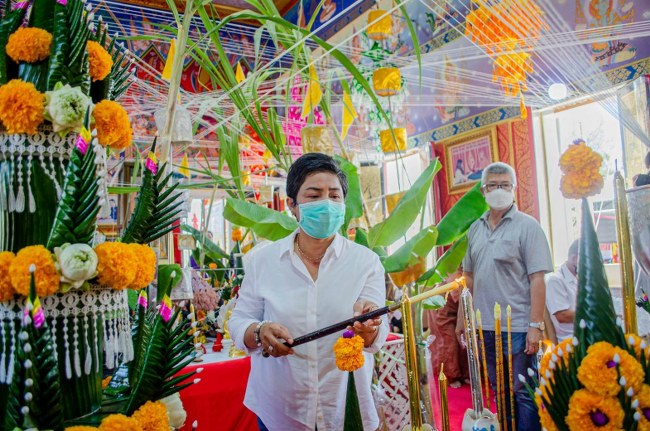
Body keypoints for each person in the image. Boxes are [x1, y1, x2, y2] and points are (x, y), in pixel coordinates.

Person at [229, 153, 389, 431]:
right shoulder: (263, 261)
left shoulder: (366, 262)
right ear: (292, 204)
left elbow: (377, 332)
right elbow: (239, 320)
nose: (326, 204)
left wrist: (369, 327)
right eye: (314, 196)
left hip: (345, 407)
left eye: (335, 196)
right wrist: (259, 331)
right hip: (279, 409)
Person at [458, 161, 553, 431]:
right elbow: (468, 279)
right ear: (483, 191)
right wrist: (463, 319)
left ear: (514, 188)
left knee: (524, 391)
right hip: (485, 326)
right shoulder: (475, 229)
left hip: (519, 327)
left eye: (504, 185)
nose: (498, 190)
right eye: (493, 185)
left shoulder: (528, 226)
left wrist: (535, 326)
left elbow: (537, 280)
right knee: (499, 389)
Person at [427, 269, 469, 388]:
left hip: (458, 309)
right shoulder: (455, 269)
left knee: (463, 340)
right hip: (442, 307)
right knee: (449, 341)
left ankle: (465, 374)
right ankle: (451, 376)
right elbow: (457, 294)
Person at [546, 240, 579, 342]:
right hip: (572, 340)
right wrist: (594, 315)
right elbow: (562, 316)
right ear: (574, 258)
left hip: (587, 333)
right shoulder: (555, 280)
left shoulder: (579, 278)